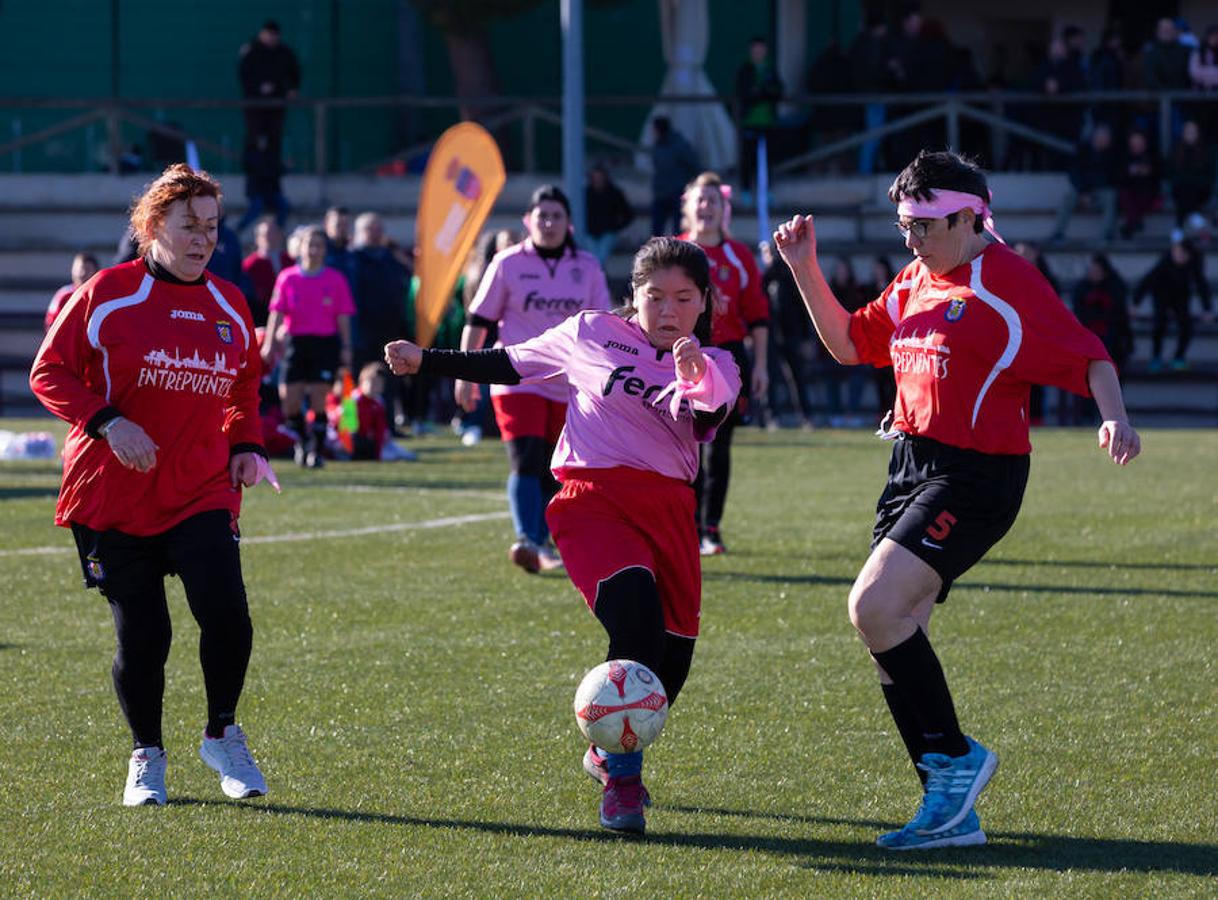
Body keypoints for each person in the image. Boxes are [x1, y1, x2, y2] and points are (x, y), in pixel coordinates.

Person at [774, 150, 1141, 851]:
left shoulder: (1006, 280)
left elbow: (1091, 354)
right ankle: (949, 812)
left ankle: (959, 763)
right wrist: (803, 267)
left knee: (872, 607)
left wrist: (1114, 416)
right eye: (904, 223)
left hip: (976, 475)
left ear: (972, 217)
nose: (911, 238)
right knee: (892, 640)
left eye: (926, 224)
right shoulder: (915, 278)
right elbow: (853, 345)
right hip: (911, 466)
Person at [386, 236, 742, 835]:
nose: (669, 310)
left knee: (667, 669)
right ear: (634, 295)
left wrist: (694, 373)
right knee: (635, 624)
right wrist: (429, 359)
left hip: (670, 513)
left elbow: (710, 414)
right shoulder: (590, 333)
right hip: (592, 502)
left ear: (704, 302)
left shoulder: (720, 363)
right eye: (655, 296)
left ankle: (605, 751)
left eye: (684, 298)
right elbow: (511, 360)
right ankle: (623, 786)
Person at [28, 163, 274, 807]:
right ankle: (148, 754)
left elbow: (243, 385)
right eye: (188, 225)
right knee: (145, 637)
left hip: (200, 487)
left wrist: (246, 443)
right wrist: (109, 423)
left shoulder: (229, 301)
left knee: (228, 616)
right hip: (113, 492)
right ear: (151, 225)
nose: (202, 238)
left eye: (212, 227)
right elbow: (48, 372)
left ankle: (222, 732)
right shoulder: (107, 293)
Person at [457, 185, 612, 573]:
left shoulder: (588, 267)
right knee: (525, 459)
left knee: (555, 468)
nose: (549, 222)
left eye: (556, 215)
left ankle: (541, 542)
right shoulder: (507, 263)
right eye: (541, 216)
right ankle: (528, 539)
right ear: (528, 221)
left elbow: (604, 327)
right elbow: (480, 321)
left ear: (569, 223)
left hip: (569, 383)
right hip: (516, 378)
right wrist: (464, 375)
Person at [679, 172, 769, 555]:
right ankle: (685, 526)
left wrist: (761, 365)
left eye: (713, 201)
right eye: (700, 200)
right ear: (688, 207)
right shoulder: (673, 252)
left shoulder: (739, 256)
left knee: (719, 446)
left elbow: (758, 316)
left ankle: (710, 528)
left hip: (728, 358)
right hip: (680, 357)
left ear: (723, 209)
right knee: (683, 447)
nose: (706, 207)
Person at [262, 224, 355, 468]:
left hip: (324, 343)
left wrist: (346, 347)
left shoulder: (335, 280)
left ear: (325, 250)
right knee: (289, 400)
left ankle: (316, 450)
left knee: (318, 398)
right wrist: (270, 344)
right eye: (309, 245)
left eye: (319, 246)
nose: (314, 250)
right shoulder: (287, 278)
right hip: (295, 342)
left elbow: (343, 316)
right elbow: (277, 313)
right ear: (299, 248)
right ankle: (302, 440)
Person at [1133, 234, 1213, 372]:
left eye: (1182, 254)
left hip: (1181, 294)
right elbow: (1146, 281)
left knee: (1186, 325)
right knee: (1160, 324)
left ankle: (1179, 357)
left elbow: (1202, 286)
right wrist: (1136, 302)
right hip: (1161, 293)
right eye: (1176, 252)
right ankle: (1156, 356)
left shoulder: (1195, 264)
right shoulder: (1164, 262)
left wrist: (1207, 308)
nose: (1178, 256)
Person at [1071, 254, 1133, 422]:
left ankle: (1113, 416)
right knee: (1087, 382)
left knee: (1112, 381)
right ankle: (1086, 415)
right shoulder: (1082, 288)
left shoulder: (1116, 287)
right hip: (1088, 345)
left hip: (1112, 343)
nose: (1094, 274)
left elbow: (1121, 318)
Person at [237, 20, 299, 165]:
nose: (271, 38)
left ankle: (273, 168)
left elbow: (294, 72)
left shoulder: (284, 53)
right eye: (268, 34)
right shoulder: (251, 51)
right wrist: (258, 88)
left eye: (274, 35)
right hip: (254, 103)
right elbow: (244, 76)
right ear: (262, 34)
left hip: (276, 103)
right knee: (254, 135)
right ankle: (252, 167)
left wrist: (292, 89)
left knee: (274, 136)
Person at [1049, 124, 1119, 244]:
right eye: (1102, 137)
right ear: (1094, 138)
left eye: (1107, 138)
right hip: (1081, 191)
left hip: (1100, 193)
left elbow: (1112, 178)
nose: (1104, 141)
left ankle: (1106, 234)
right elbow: (1075, 174)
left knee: (1111, 195)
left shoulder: (1113, 155)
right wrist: (1083, 192)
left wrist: (1091, 194)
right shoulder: (1083, 151)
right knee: (1069, 197)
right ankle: (1058, 233)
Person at [734, 36, 783, 201]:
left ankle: (767, 191)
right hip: (749, 122)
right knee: (748, 158)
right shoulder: (745, 70)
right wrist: (761, 93)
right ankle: (746, 191)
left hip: (768, 122)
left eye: (761, 50)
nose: (758, 53)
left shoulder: (770, 70)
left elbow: (778, 91)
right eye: (755, 50)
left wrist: (762, 93)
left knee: (768, 159)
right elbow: (744, 93)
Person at [650, 117, 701, 237]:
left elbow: (694, 166)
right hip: (661, 194)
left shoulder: (680, 146)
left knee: (678, 232)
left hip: (677, 193)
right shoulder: (657, 146)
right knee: (656, 232)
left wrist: (688, 185)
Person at [242, 217, 293, 328]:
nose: (270, 238)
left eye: (274, 233)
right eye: (266, 234)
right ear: (258, 238)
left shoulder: (290, 261)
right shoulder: (250, 265)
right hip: (261, 316)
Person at [585, 164, 634, 266]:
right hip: (588, 233)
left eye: (600, 177)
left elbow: (628, 214)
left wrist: (616, 227)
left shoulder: (614, 193)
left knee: (599, 256)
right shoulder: (585, 193)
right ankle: (599, 277)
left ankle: (596, 278)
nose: (598, 180)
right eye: (595, 177)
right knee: (593, 255)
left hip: (608, 233)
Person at [1116, 130, 1161, 240]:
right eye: (1134, 141)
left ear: (1144, 142)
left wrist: (1147, 172)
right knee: (1125, 194)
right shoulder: (1125, 156)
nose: (1136, 143)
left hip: (1147, 191)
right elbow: (1119, 177)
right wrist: (1130, 172)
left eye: (1139, 141)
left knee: (1142, 195)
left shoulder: (1152, 155)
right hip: (1130, 190)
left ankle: (1130, 225)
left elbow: (1158, 176)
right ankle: (1135, 222)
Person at [44, 252, 99, 331]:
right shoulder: (64, 295)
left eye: (88, 269)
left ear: (96, 272)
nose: (82, 273)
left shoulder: (100, 296)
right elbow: (50, 324)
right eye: (80, 269)